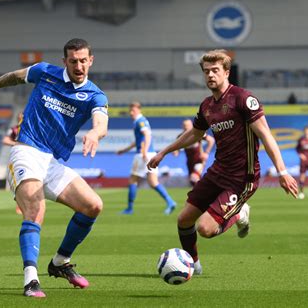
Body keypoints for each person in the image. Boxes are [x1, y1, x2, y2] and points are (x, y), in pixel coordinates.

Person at [147, 50, 298, 275]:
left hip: (241, 178)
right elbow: (194, 135)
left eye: (215, 70)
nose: (210, 75)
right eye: (206, 71)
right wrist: (164, 152)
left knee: (205, 228)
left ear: (226, 72)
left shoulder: (243, 99)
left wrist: (282, 171)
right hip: (217, 172)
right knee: (184, 219)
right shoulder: (207, 105)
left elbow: (266, 135)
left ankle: (240, 213)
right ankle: (193, 267)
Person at [0, 38, 108, 298]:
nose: (79, 65)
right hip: (26, 150)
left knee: (93, 206)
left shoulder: (95, 95)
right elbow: (17, 76)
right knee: (35, 208)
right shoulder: (45, 72)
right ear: (64, 61)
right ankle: (31, 281)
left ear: (91, 60)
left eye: (83, 60)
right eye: (73, 61)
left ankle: (60, 262)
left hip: (51, 161)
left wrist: (95, 134)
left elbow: (101, 121)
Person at [116, 102, 177, 215]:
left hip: (143, 154)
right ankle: (170, 202)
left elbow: (147, 135)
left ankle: (129, 209)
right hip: (150, 154)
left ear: (139, 110)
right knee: (153, 182)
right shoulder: (140, 121)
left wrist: (144, 150)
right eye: (130, 110)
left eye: (133, 111)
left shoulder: (140, 121)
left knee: (133, 180)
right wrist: (124, 150)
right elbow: (138, 141)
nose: (131, 113)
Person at [174, 119, 214, 185]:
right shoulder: (180, 136)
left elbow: (211, 140)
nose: (186, 127)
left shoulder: (197, 133)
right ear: (182, 126)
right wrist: (176, 151)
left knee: (194, 177)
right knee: (194, 183)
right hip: (190, 162)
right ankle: (204, 193)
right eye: (184, 125)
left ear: (191, 125)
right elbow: (176, 147)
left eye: (188, 125)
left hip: (199, 160)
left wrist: (206, 153)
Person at [2, 112, 24, 214]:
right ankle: (19, 205)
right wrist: (16, 143)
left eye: (22, 117)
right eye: (19, 118)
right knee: (19, 183)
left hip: (31, 157)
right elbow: (5, 140)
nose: (21, 119)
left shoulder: (32, 127)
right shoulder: (13, 129)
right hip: (18, 158)